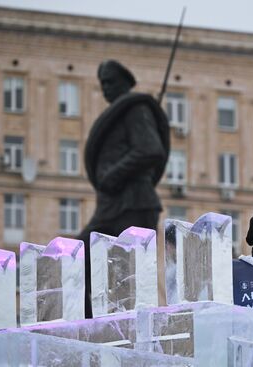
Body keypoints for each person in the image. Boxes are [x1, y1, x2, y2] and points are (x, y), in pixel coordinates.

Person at [78, 60, 170, 317]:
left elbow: (150, 149)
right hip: (111, 207)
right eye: (102, 83)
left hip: (135, 204)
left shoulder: (135, 109)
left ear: (125, 83)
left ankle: (130, 331)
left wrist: (114, 175)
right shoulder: (120, 114)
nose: (105, 88)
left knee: (127, 277)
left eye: (110, 82)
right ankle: (91, 325)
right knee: (74, 258)